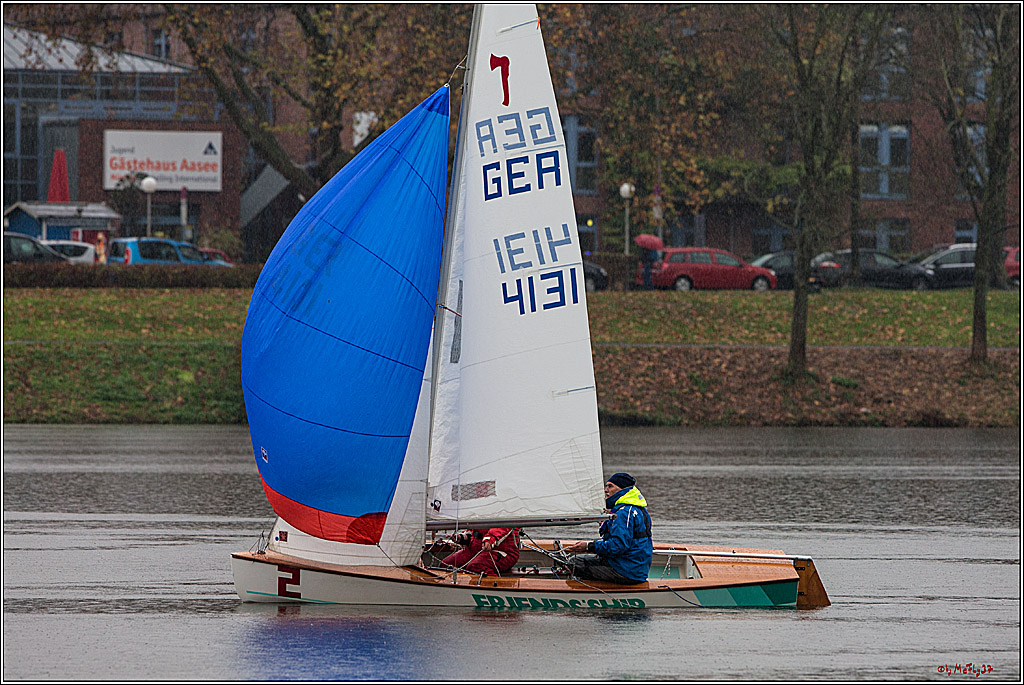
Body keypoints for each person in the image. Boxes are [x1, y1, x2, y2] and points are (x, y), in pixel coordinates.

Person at [563, 472, 652, 584]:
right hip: (636, 569)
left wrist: (588, 546)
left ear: (622, 489)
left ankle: (590, 594)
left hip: (626, 571)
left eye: (610, 486)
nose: (606, 490)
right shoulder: (638, 509)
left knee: (575, 563)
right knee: (589, 560)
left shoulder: (623, 513)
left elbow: (617, 546)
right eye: (606, 486)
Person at [441, 527, 521, 576]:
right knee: (445, 565)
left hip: (503, 552)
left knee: (475, 566)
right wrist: (462, 537)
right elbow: (474, 533)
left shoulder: (504, 510)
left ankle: (496, 587)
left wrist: (490, 539)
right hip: (476, 549)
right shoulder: (480, 511)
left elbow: (503, 527)